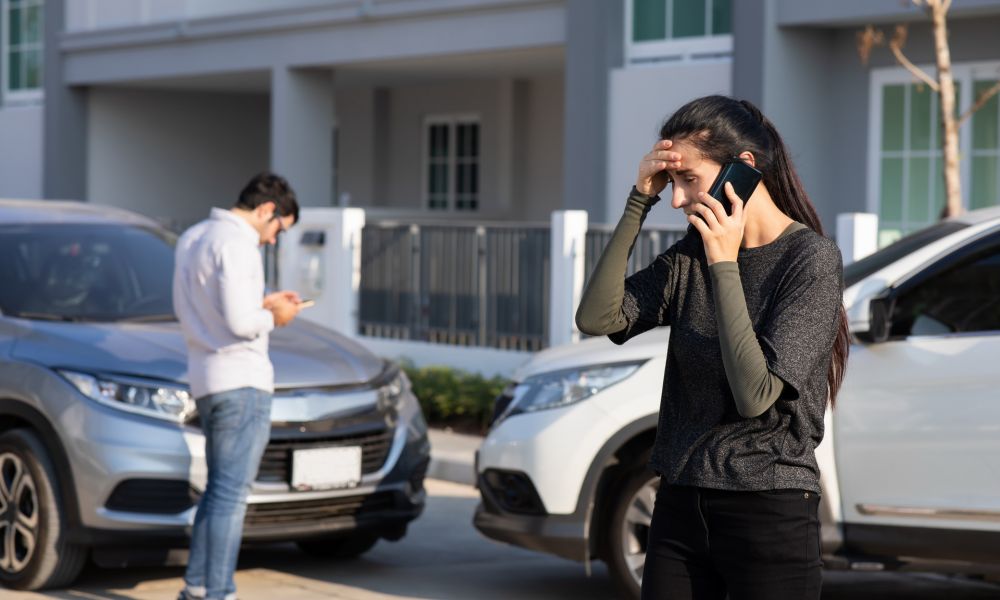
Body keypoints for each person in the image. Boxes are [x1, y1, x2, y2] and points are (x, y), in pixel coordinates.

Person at [576, 95, 850, 600]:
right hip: (680, 504)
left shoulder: (809, 261)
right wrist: (639, 200)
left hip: (769, 510)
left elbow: (755, 395)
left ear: (742, 169)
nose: (677, 200)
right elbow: (597, 318)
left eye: (688, 180)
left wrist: (724, 264)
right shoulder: (690, 258)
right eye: (670, 183)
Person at [173, 172, 304, 600]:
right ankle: (219, 592)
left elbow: (202, 308)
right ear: (267, 210)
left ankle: (195, 588)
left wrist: (263, 303)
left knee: (217, 491)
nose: (273, 240)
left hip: (206, 377)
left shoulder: (194, 236)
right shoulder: (237, 243)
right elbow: (242, 323)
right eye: (278, 230)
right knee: (231, 496)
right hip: (242, 381)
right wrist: (276, 317)